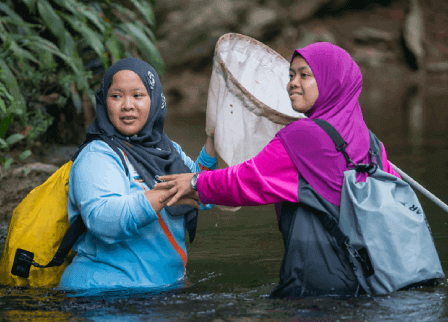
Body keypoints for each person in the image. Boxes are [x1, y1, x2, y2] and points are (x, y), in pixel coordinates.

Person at [154, 42, 401, 298]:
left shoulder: (302, 135)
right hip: (374, 274)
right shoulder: (370, 141)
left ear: (332, 82)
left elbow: (247, 180)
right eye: (291, 75)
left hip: (321, 280)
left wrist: (195, 183)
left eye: (305, 75)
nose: (293, 83)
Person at [58, 58, 217, 290]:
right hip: (103, 296)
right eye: (116, 96)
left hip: (161, 292)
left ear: (154, 100)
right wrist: (167, 194)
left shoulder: (167, 150)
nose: (127, 105)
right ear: (104, 101)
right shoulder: (96, 155)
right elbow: (103, 219)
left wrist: (213, 141)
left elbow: (201, 195)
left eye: (138, 95)